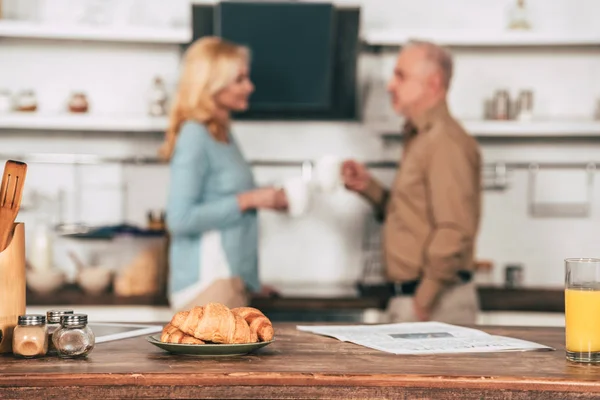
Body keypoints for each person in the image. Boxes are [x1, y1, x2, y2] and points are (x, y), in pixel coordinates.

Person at [343, 40, 482, 325]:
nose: (390, 86)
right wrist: (368, 187)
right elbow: (412, 212)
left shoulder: (445, 142)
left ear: (433, 84)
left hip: (433, 304)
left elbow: (454, 230)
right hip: (416, 300)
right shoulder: (420, 137)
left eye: (400, 76)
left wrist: (423, 300)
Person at [162, 37, 286, 311]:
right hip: (207, 286)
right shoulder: (195, 134)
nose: (249, 87)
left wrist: (249, 283)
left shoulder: (221, 133)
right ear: (212, 84)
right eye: (239, 79)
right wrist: (249, 200)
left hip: (228, 283)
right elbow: (179, 219)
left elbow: (231, 213)